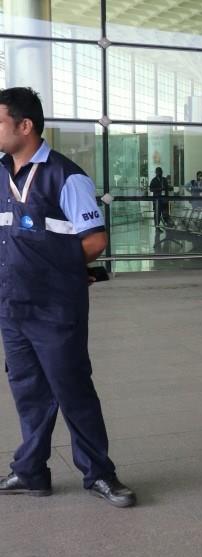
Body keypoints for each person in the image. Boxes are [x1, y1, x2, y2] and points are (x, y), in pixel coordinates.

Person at [0, 87, 136, 507]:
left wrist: (59, 272)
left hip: (55, 307)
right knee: (28, 391)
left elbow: (94, 240)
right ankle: (31, 471)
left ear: (25, 125)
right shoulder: (1, 173)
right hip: (12, 306)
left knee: (72, 389)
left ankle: (100, 474)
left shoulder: (66, 176)